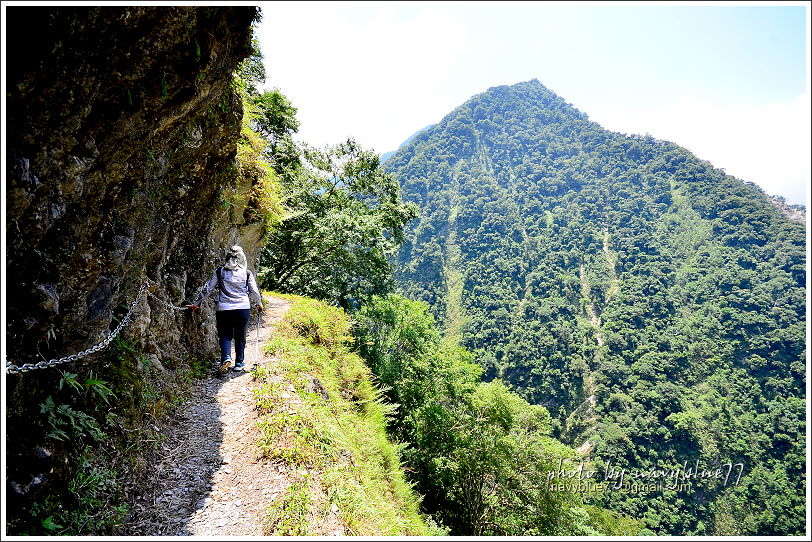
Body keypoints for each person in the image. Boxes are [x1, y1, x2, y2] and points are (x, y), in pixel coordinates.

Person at [186, 245, 263, 373]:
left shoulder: (219, 271)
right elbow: (254, 291)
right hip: (242, 308)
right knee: (240, 336)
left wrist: (197, 302)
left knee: (225, 335)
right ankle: (239, 363)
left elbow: (208, 288)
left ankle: (226, 358)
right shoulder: (247, 273)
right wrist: (259, 303)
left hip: (224, 309)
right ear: (242, 258)